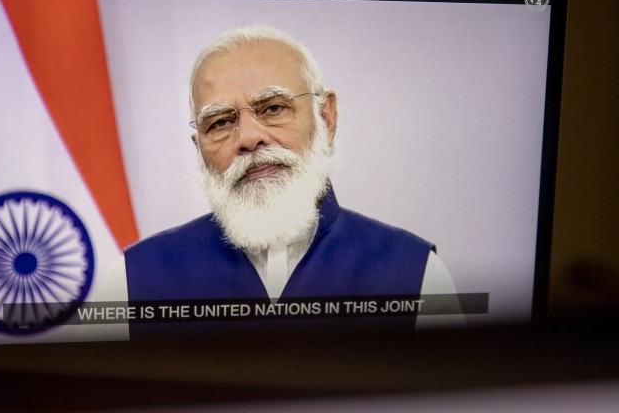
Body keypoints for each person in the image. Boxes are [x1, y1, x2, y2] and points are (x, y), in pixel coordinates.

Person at [104, 25, 464, 337]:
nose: (248, 137)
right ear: (199, 148)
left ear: (327, 117)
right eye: (219, 123)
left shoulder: (417, 276)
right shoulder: (131, 281)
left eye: (273, 108)